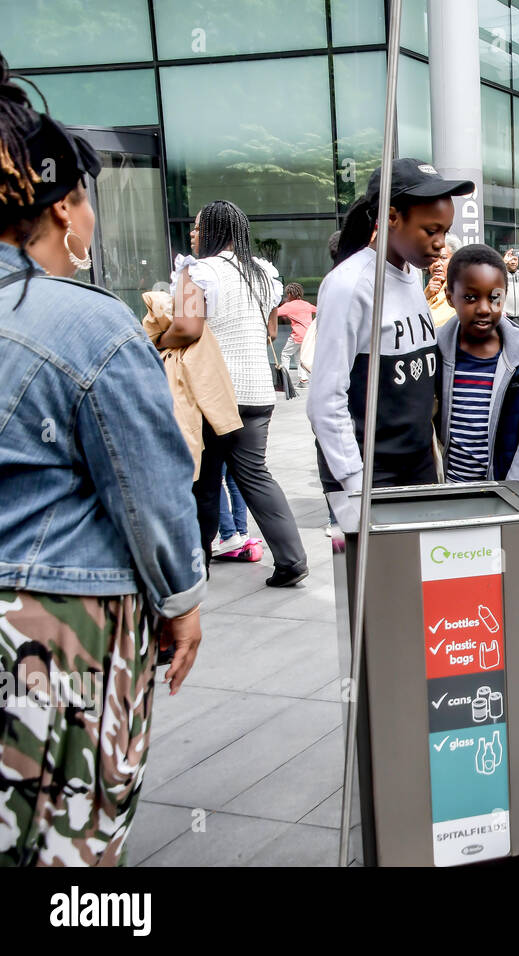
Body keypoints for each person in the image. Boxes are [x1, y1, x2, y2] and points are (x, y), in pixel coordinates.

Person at [0, 57, 203, 865]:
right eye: (85, 198)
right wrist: (181, 599)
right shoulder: (91, 323)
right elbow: (149, 487)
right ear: (63, 209)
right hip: (56, 627)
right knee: (67, 838)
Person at [164, 199, 309, 587]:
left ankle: (196, 568)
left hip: (212, 393)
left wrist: (158, 336)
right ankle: (292, 560)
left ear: (213, 231)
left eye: (197, 227)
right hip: (258, 392)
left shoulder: (196, 271)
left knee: (204, 482)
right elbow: (270, 329)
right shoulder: (263, 272)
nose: (192, 234)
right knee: (256, 476)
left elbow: (187, 328)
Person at [310, 160, 472, 507]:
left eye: (445, 231)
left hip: (417, 464)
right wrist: (355, 483)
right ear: (392, 217)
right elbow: (325, 401)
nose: (441, 244)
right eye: (431, 231)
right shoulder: (349, 286)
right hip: (370, 474)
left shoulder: (412, 276)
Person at [433, 245, 519, 481]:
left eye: (495, 297)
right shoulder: (436, 350)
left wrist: (514, 490)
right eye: (470, 297)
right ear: (450, 298)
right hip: (451, 490)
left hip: (509, 494)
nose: (484, 308)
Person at [277, 281, 317, 386]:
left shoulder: (288, 306)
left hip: (297, 336)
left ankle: (285, 380)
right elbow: (319, 310)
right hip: (307, 336)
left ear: (289, 294)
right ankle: (303, 380)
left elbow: (275, 313)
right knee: (299, 357)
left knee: (285, 354)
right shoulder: (306, 304)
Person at [424, 234, 460, 327]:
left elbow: (432, 324)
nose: (436, 264)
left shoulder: (457, 287)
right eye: (433, 258)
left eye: (443, 258)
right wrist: (425, 296)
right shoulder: (430, 289)